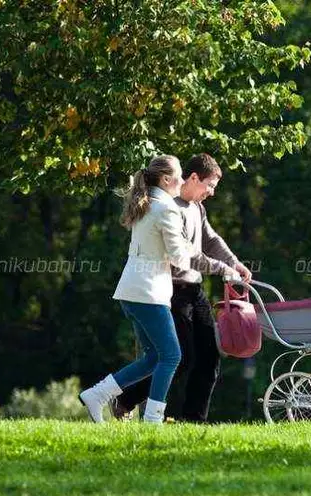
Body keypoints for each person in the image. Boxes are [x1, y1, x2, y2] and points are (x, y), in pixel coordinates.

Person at [111, 153, 252, 422]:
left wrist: (235, 263)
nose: (211, 193)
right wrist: (224, 270)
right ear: (194, 177)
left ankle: (194, 420)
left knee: (210, 356)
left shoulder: (197, 207)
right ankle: (126, 400)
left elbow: (210, 239)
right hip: (172, 291)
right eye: (209, 185)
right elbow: (185, 258)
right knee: (180, 357)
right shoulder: (168, 207)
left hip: (195, 290)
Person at [79, 155, 197, 423]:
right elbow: (179, 257)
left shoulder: (148, 204)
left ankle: (97, 394)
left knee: (154, 357)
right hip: (148, 293)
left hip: (133, 291)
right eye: (179, 175)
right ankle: (154, 418)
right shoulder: (166, 208)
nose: (181, 180)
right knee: (172, 355)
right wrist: (192, 248)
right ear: (167, 180)